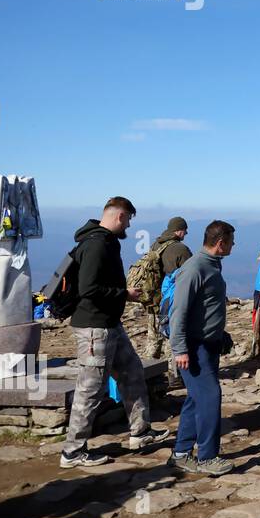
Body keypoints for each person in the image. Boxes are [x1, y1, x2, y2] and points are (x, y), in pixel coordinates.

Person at [60, 198, 170, 469]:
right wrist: (125, 294)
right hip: (95, 328)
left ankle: (140, 432)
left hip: (109, 324)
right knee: (91, 388)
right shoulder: (97, 244)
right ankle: (73, 452)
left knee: (131, 372)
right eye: (129, 219)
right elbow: (89, 289)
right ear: (120, 216)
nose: (130, 226)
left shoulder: (103, 241)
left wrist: (122, 297)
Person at [169, 220, 235, 475]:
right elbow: (180, 311)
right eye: (231, 241)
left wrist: (220, 333)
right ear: (220, 243)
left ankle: (181, 453)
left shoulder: (211, 266)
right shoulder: (195, 268)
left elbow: (205, 309)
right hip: (194, 347)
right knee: (210, 397)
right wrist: (179, 349)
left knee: (196, 400)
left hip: (208, 345)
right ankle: (207, 457)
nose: (233, 246)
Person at [145, 216, 193, 361]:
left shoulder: (155, 245)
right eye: (185, 231)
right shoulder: (181, 249)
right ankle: (174, 375)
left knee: (153, 338)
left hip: (152, 297)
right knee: (171, 336)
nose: (185, 234)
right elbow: (191, 273)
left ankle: (148, 374)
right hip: (171, 299)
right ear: (179, 231)